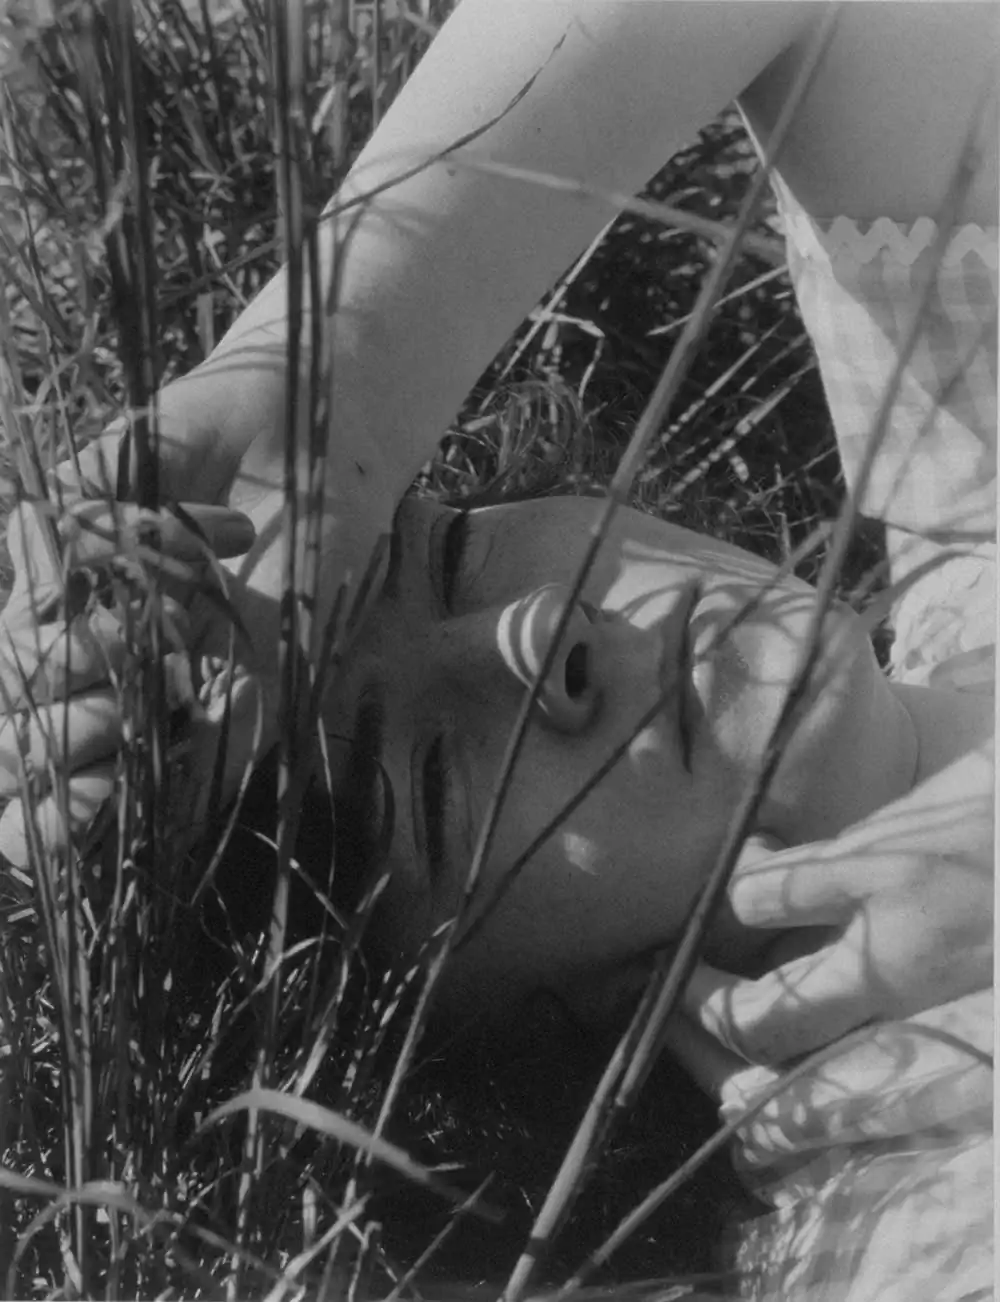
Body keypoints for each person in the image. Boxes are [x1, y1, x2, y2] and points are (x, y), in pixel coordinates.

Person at [0, 1, 994, 1295]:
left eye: (454, 553)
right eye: (432, 784)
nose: (538, 636)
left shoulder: (960, 470)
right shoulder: (900, 1202)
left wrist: (325, 382)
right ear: (521, 1040)